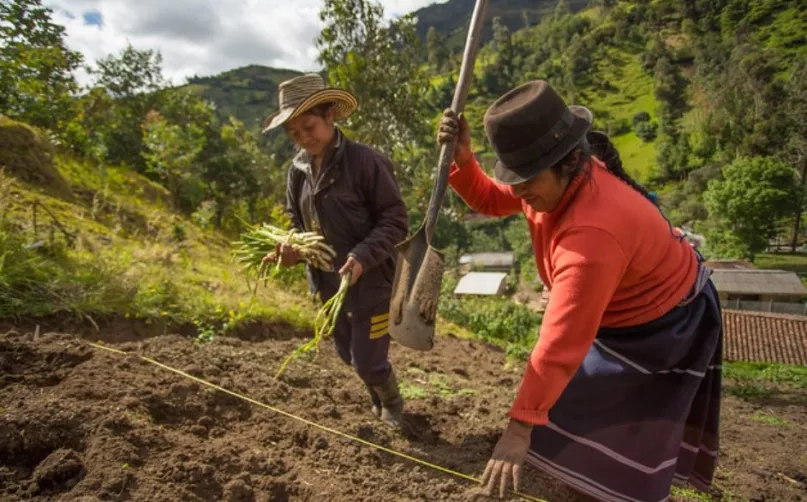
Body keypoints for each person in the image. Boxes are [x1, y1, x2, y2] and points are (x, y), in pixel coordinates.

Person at [437, 80, 723, 501]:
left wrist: (517, 430)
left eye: (526, 181)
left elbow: (559, 342)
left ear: (568, 160)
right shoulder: (551, 184)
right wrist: (462, 158)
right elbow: (492, 199)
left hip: (663, 324)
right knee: (569, 419)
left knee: (613, 438)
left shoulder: (592, 233)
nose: (518, 192)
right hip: (616, 313)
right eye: (515, 179)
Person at [262, 73, 409, 428]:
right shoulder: (297, 172)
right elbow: (298, 224)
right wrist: (292, 249)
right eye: (294, 134)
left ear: (330, 116)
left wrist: (361, 255)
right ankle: (375, 394)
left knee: (368, 360)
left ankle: (393, 403)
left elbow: (395, 220)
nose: (303, 139)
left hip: (371, 279)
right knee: (346, 352)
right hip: (328, 283)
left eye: (309, 127)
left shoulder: (365, 162)